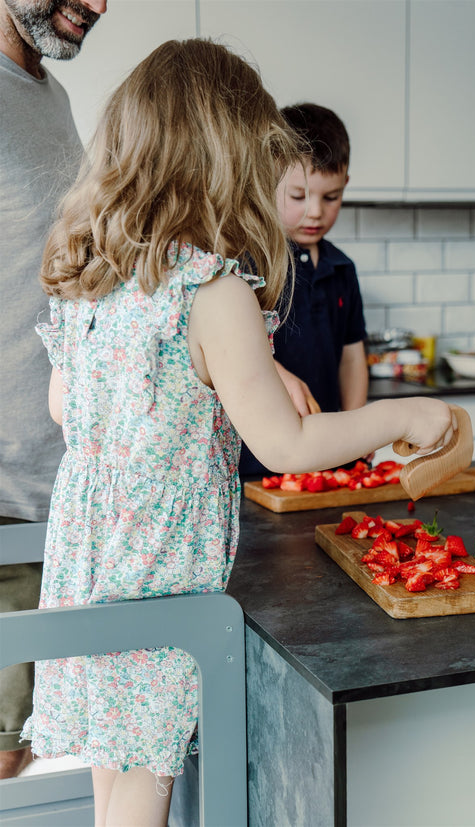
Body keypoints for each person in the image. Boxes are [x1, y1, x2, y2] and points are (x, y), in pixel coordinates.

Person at [20, 38, 456, 826]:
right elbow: (286, 444)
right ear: (227, 156)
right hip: (159, 582)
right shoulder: (210, 288)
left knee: (110, 791)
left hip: (87, 570)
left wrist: (197, 400)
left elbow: (66, 409)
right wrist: (403, 414)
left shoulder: (93, 271)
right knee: (142, 803)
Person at [0, 0, 107, 778]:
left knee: (33, 754)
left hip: (53, 491)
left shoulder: (50, 97)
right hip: (1, 491)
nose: (99, 4)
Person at [239, 102, 369, 477]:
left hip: (328, 453)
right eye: (299, 196)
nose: (315, 212)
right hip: (258, 458)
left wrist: (356, 430)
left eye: (331, 198)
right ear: (267, 181)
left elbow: (351, 356)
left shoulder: (343, 269)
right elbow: (233, 352)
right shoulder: (248, 266)